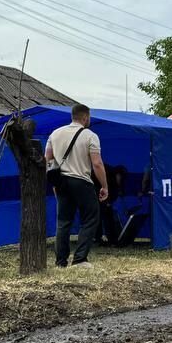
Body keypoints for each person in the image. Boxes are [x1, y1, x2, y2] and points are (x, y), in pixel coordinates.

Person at [45, 104, 108, 268]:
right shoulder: (90, 135)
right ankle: (80, 259)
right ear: (86, 117)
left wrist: (54, 183)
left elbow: (48, 159)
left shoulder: (55, 134)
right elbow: (97, 163)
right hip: (81, 181)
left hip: (62, 182)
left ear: (72, 116)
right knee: (91, 218)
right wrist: (104, 186)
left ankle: (60, 262)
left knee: (63, 222)